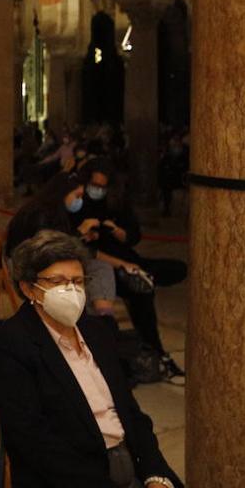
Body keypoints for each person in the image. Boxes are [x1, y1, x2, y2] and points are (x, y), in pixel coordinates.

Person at [0, 231, 221, 488]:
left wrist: (157, 482)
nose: (71, 290)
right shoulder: (10, 344)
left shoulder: (95, 332)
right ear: (29, 287)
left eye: (78, 281)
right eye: (57, 282)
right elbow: (36, 446)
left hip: (128, 472)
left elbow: (132, 415)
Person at [80, 159, 187, 379]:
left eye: (102, 187)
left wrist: (119, 232)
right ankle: (156, 352)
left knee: (177, 269)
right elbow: (87, 251)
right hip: (107, 267)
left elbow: (133, 236)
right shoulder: (79, 206)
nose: (98, 191)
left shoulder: (117, 204)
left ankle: (145, 277)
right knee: (140, 291)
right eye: (95, 186)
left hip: (129, 260)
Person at [6, 172, 117, 317]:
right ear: (63, 193)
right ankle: (103, 319)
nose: (80, 200)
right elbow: (48, 248)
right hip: (29, 265)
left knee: (94, 270)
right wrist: (79, 232)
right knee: (97, 270)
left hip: (36, 260)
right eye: (77, 196)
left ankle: (96, 317)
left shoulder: (49, 210)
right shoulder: (41, 213)